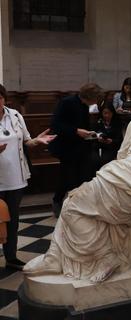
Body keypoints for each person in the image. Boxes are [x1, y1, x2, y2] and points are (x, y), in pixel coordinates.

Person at [24, 108, 131, 283]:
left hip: (124, 175)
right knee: (72, 203)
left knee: (72, 206)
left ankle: (103, 256)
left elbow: (123, 152)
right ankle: (54, 258)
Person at [0, 84, 56, 270]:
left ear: (4, 99)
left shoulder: (15, 115)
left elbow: (26, 141)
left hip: (15, 177)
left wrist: (36, 141)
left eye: (0, 98)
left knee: (13, 219)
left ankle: (11, 257)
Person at [49, 83, 104, 217]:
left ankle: (78, 205)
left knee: (83, 177)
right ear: (90, 96)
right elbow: (56, 125)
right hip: (66, 147)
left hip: (81, 147)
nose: (97, 102)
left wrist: (92, 134)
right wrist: (76, 131)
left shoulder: (85, 105)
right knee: (66, 177)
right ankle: (57, 201)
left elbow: (83, 125)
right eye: (96, 98)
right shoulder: (67, 102)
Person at [92, 103, 123, 170]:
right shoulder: (98, 122)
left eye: (109, 113)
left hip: (112, 147)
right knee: (94, 160)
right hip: (98, 145)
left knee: (105, 161)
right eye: (105, 113)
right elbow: (93, 134)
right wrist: (98, 137)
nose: (107, 115)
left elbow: (120, 139)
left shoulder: (117, 122)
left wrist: (111, 141)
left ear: (113, 113)